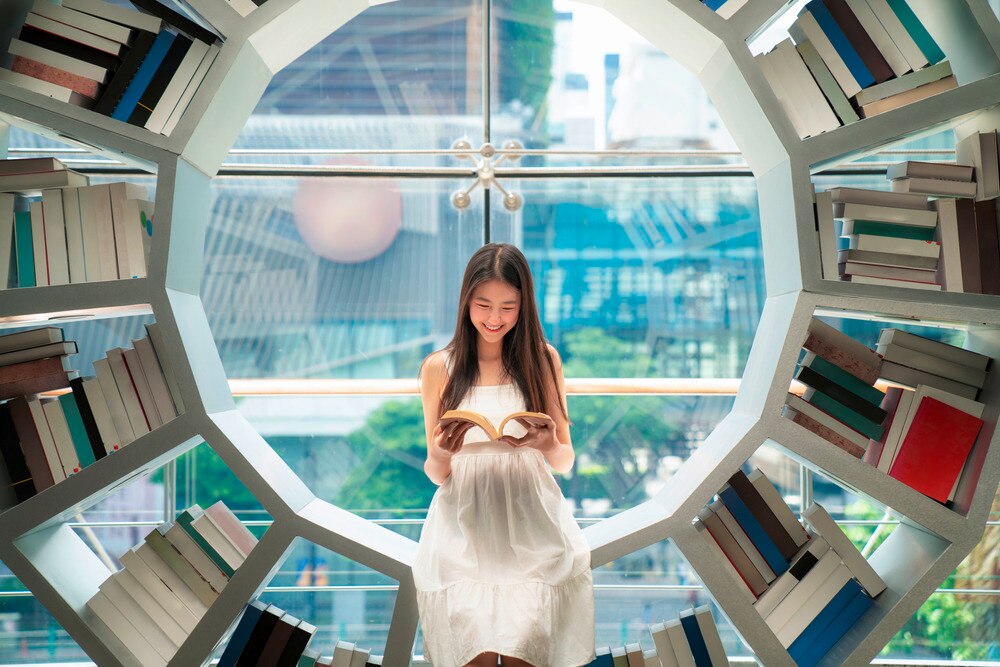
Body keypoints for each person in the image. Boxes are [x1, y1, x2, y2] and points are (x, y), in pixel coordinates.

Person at [413, 243, 595, 667]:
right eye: (484, 305)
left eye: (508, 307)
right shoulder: (439, 367)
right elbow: (436, 473)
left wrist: (547, 444)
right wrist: (441, 453)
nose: (495, 318)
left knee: (526, 647)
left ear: (524, 305)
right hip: (465, 527)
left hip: (531, 523)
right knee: (471, 648)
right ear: (466, 301)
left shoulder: (542, 360)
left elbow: (565, 460)